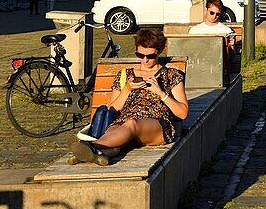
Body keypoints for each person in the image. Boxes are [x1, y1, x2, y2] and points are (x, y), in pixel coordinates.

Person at [68, 29, 189, 166]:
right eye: (140, 54)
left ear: (159, 51)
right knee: (115, 142)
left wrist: (161, 93)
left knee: (132, 124)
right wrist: (127, 90)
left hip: (155, 122)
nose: (145, 60)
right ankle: (92, 155)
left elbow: (183, 113)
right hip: (123, 121)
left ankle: (89, 145)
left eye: (150, 56)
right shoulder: (126, 74)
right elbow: (112, 108)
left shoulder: (171, 75)